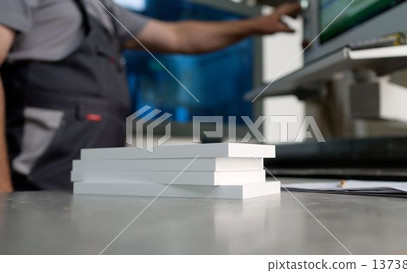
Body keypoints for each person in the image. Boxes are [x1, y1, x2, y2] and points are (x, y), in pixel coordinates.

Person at [0, 0, 301, 193]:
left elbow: (178, 36)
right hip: (36, 176)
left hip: (92, 182)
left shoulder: (103, 10)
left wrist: (254, 25)